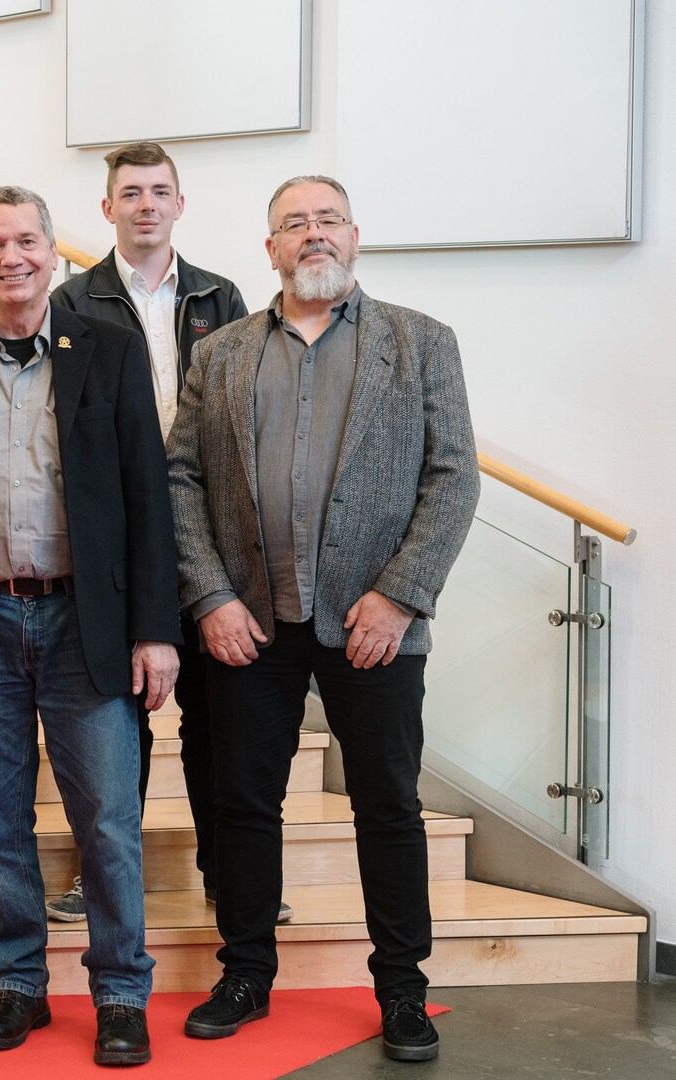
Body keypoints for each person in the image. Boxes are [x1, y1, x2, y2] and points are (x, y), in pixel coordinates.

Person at [169, 175, 478, 1063]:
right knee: (241, 806)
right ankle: (244, 973)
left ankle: (401, 989)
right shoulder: (220, 354)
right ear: (268, 248)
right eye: (293, 223)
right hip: (249, 623)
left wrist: (401, 593)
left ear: (354, 235)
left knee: (388, 807)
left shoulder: (419, 342)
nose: (312, 234)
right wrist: (209, 596)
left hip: (374, 625)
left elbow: (453, 477)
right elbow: (179, 478)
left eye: (327, 219)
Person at [0, 186, 181, 1067]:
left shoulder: (111, 350)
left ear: (53, 255)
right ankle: (17, 983)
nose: (10, 258)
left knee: (107, 823)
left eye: (26, 242)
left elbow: (147, 497)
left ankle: (120, 993)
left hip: (85, 622)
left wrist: (155, 629)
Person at [48, 141, 285, 925]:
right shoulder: (71, 301)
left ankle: (228, 878)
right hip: (114, 533)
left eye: (158, 191)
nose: (145, 204)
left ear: (179, 204)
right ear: (107, 208)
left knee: (217, 721)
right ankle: (101, 877)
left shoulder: (221, 296)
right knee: (116, 720)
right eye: (130, 192)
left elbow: (246, 412)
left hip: (207, 528)